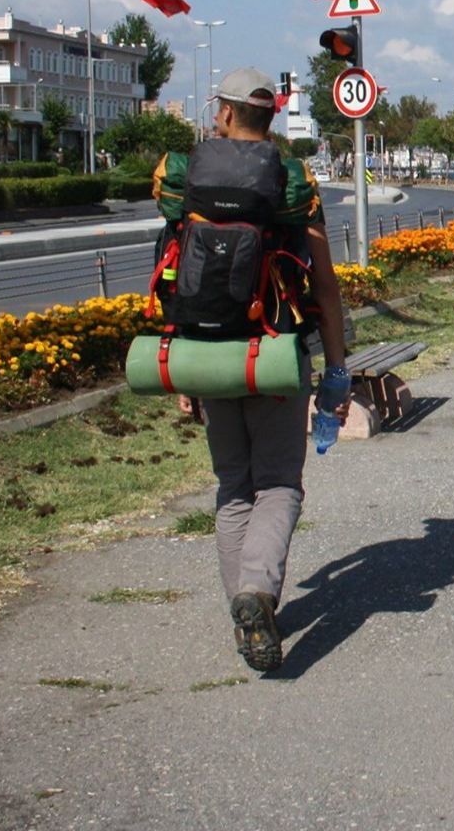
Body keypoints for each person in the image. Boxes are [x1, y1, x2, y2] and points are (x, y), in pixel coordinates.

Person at [156, 68, 351, 674]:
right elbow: (324, 284)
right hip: (272, 352)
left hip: (204, 351)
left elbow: (171, 275)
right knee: (280, 484)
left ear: (223, 113)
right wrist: (337, 368)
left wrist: (182, 362)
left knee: (234, 486)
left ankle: (244, 611)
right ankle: (257, 594)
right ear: (271, 117)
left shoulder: (189, 179)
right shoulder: (291, 183)